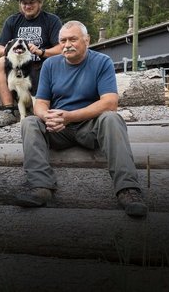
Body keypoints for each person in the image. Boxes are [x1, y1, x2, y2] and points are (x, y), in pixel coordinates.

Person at [17, 20, 148, 218]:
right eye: (63, 40)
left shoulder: (102, 62)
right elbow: (40, 103)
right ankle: (40, 186)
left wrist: (70, 117)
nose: (67, 44)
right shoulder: (50, 65)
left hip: (90, 128)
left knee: (112, 118)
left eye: (73, 39)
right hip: (59, 129)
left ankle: (128, 190)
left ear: (87, 40)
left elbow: (110, 102)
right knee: (30, 122)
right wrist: (47, 116)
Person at [0, 0, 63, 114]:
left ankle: (51, 106)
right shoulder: (12, 21)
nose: (27, 6)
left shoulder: (51, 20)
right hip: (20, 66)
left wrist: (41, 52)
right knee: (1, 61)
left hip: (43, 64)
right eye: (24, 3)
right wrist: (12, 49)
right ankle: (9, 109)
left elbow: (61, 48)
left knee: (58, 62)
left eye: (31, 2)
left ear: (39, 2)